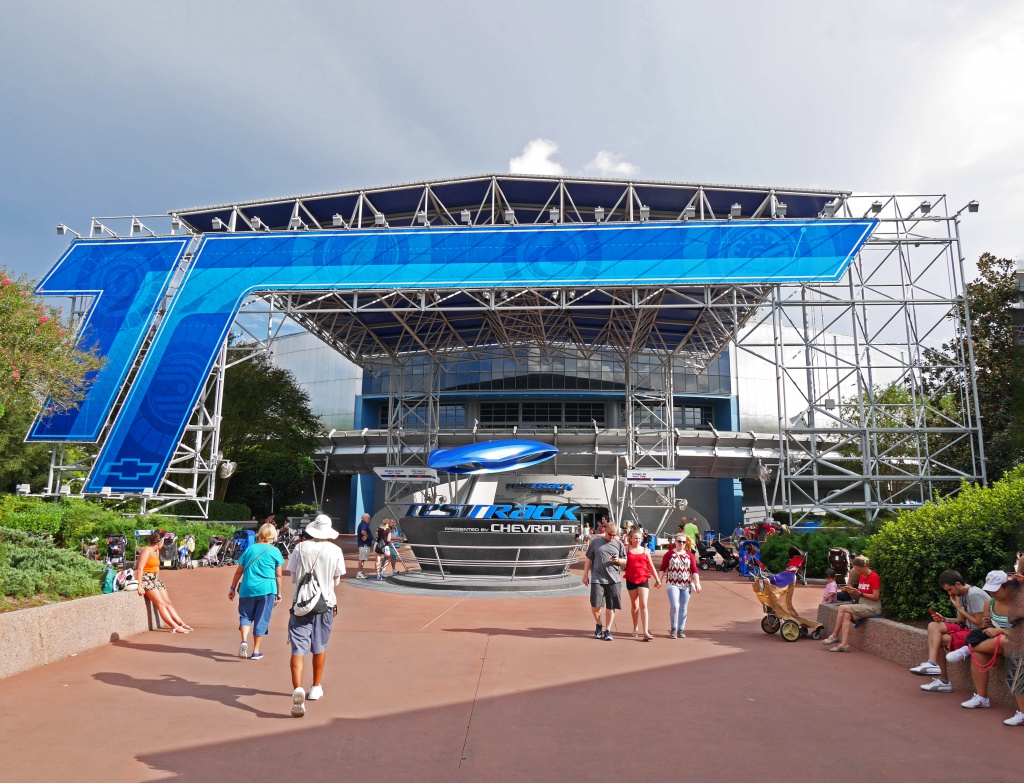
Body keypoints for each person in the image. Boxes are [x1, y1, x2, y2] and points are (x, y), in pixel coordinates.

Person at [285, 514, 346, 718]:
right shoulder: (335, 550)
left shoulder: (300, 547)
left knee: (298, 648)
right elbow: (337, 580)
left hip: (300, 604)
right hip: (325, 603)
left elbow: (293, 577)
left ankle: (297, 689)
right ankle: (315, 686)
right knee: (319, 646)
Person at [944, 571, 1024, 716]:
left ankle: (966, 649)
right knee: (979, 653)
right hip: (1002, 649)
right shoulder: (990, 603)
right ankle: (981, 698)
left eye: (995, 590)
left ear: (1007, 587)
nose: (992, 594)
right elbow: (985, 626)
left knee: (1004, 639)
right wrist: (989, 627)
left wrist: (1001, 630)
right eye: (990, 591)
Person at [910, 570, 987, 693]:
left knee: (940, 639)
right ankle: (932, 663)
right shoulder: (961, 595)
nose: (949, 593)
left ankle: (943, 681)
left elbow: (981, 623)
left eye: (950, 590)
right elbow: (960, 621)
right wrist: (944, 619)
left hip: (979, 633)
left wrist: (958, 607)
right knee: (934, 625)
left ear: (958, 584)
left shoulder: (974, 594)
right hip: (967, 628)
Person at [228, 522, 284, 660]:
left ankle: (244, 641)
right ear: (273, 536)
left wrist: (232, 588)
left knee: (245, 616)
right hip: (267, 589)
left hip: (247, 588)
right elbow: (279, 575)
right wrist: (279, 592)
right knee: (261, 619)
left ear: (259, 533)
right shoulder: (275, 551)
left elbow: (238, 572)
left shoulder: (250, 549)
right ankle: (256, 650)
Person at [820, 555, 881, 652]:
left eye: (858, 569)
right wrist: (853, 592)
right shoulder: (861, 576)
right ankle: (844, 644)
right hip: (862, 604)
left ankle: (835, 635)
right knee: (847, 615)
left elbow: (876, 596)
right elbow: (861, 595)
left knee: (842, 608)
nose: (857, 572)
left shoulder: (874, 577)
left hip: (872, 606)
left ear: (864, 566)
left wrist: (860, 593)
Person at [135, 531, 192, 634]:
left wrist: (157, 581)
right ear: (159, 542)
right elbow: (140, 569)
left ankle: (181, 623)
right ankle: (174, 627)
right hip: (146, 578)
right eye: (163, 542)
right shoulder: (147, 551)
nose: (164, 544)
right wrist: (140, 586)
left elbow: (157, 567)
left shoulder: (157, 551)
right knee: (160, 603)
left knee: (167, 602)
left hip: (154, 578)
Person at [582, 521, 626, 641]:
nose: (612, 537)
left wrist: (617, 560)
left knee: (611, 606)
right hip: (597, 578)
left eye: (614, 534)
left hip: (614, 579)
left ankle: (608, 630)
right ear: (605, 530)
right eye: (610, 534)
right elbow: (588, 559)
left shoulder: (619, 544)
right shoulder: (596, 542)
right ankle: (598, 623)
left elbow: (625, 561)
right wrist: (585, 575)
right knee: (596, 605)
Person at [658, 534, 701, 638]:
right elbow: (663, 567)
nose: (681, 544)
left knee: (683, 607)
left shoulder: (689, 555)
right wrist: (659, 580)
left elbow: (694, 570)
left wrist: (697, 582)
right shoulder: (669, 554)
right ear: (675, 542)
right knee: (675, 606)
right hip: (672, 583)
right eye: (679, 541)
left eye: (683, 542)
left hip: (686, 584)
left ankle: (681, 629)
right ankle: (673, 628)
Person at [624, 530, 661, 641]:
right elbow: (620, 560)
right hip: (631, 579)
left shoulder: (645, 550)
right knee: (634, 605)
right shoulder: (627, 549)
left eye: (639, 538)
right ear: (631, 538)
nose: (637, 540)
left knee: (643, 604)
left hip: (643, 578)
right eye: (635, 538)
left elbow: (650, 565)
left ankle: (645, 632)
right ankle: (635, 628)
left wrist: (657, 579)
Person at [355, 512, 373, 580]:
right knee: (362, 559)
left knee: (362, 559)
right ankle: (359, 573)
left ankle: (360, 572)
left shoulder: (363, 524)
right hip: (364, 545)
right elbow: (363, 531)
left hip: (364, 545)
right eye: (368, 518)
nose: (369, 519)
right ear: (364, 518)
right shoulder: (363, 524)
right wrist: (365, 535)